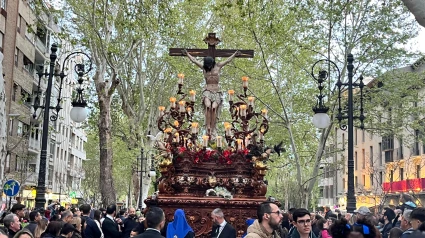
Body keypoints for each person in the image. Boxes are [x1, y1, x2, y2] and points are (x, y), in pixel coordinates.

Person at [183, 49, 241, 138]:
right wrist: (187, 54)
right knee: (207, 106)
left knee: (213, 108)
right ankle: (208, 126)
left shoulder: (218, 66)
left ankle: (213, 127)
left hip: (217, 92)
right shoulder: (204, 67)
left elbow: (228, 60)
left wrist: (234, 54)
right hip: (207, 91)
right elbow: (194, 60)